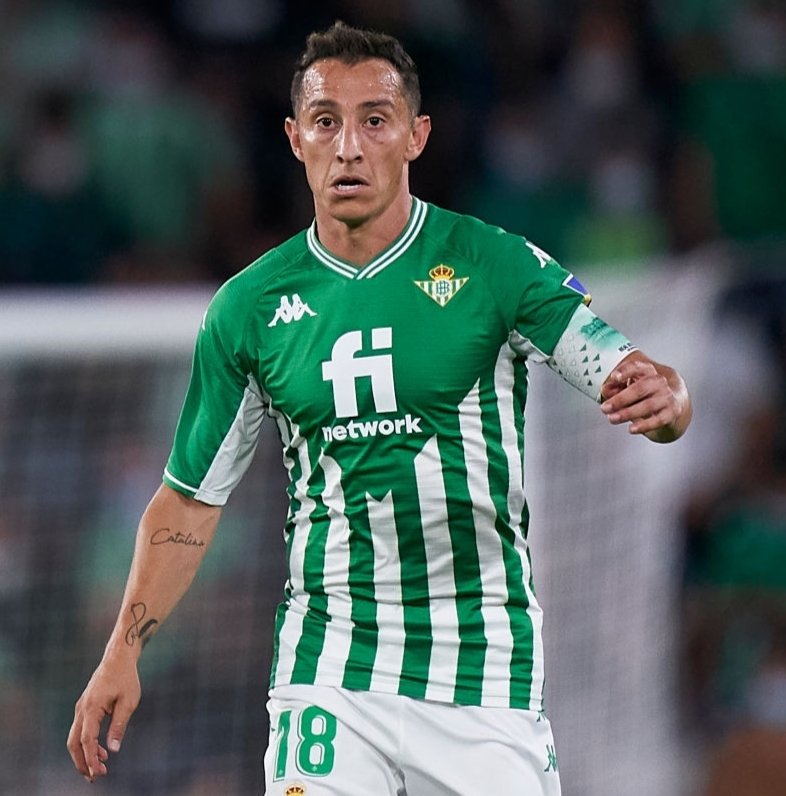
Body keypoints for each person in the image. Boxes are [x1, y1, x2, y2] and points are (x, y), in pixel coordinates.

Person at [67, 21, 692, 796]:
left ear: (415, 136)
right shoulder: (249, 308)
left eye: (374, 120)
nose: (349, 147)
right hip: (329, 675)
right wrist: (121, 651)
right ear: (295, 139)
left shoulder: (494, 265)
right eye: (326, 121)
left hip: (481, 674)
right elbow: (190, 500)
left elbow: (633, 377)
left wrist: (670, 398)